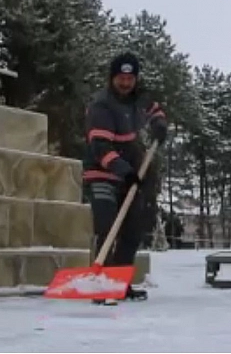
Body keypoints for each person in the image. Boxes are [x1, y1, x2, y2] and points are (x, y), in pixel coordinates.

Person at [82, 53, 168, 305]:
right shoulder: (101, 106)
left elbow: (154, 109)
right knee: (108, 227)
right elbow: (100, 147)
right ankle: (102, 287)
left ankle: (119, 283)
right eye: (121, 78)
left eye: (130, 78)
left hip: (130, 173)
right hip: (102, 173)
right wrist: (124, 170)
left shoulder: (137, 99)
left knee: (132, 230)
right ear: (112, 78)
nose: (126, 83)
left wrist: (159, 123)